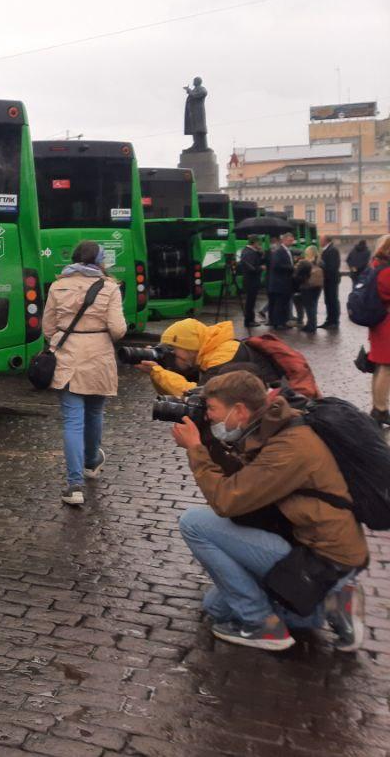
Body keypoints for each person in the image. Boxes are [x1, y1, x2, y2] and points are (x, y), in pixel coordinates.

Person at [173, 371, 366, 652]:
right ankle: (327, 603)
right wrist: (206, 442)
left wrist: (195, 450)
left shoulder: (289, 447)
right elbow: (244, 481)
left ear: (239, 409)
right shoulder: (270, 425)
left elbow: (227, 500)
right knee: (216, 607)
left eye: (212, 409)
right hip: (299, 537)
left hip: (321, 554)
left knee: (195, 523)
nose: (209, 416)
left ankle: (264, 624)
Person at [40, 240, 127, 507]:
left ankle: (74, 485)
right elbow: (118, 329)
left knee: (72, 421)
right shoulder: (109, 287)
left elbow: (48, 327)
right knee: (95, 412)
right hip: (98, 357)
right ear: (99, 260)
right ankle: (91, 462)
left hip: (68, 357)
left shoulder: (57, 285)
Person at [138, 317, 318, 398]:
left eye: (174, 349)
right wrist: (158, 367)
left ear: (190, 346)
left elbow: (198, 395)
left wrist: (157, 372)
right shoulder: (208, 351)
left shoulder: (224, 356)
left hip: (278, 407)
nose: (172, 354)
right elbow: (177, 386)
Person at [362, 235, 390, 426]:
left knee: (380, 366)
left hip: (379, 324)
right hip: (386, 324)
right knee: (386, 367)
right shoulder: (386, 271)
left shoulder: (375, 266)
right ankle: (380, 409)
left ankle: (377, 407)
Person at [266, 231, 296, 330]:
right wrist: (292, 268)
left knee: (284, 303)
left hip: (286, 282)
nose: (291, 242)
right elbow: (277, 266)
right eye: (289, 240)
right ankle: (277, 323)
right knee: (279, 304)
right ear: (284, 240)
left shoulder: (288, 250)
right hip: (279, 283)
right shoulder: (279, 251)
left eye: (292, 240)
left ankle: (283, 321)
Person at [293, 245, 322, 334]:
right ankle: (312, 324)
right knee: (314, 306)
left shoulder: (304, 263)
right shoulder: (320, 262)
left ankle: (311, 326)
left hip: (307, 287)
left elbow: (298, 276)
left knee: (309, 307)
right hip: (318, 286)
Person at [237, 237, 264, 328]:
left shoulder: (246, 250)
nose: (260, 245)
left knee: (250, 301)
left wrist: (260, 252)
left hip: (249, 280)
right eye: (259, 243)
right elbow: (251, 268)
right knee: (250, 302)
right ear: (255, 243)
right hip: (251, 280)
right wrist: (261, 268)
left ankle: (250, 320)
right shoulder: (250, 252)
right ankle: (249, 321)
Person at [320, 236, 342, 329]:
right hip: (327, 280)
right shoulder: (326, 250)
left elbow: (332, 266)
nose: (319, 241)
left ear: (326, 241)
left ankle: (334, 321)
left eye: (321, 239)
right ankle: (329, 320)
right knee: (328, 300)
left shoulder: (332, 250)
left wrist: (322, 267)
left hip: (331, 280)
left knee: (332, 300)